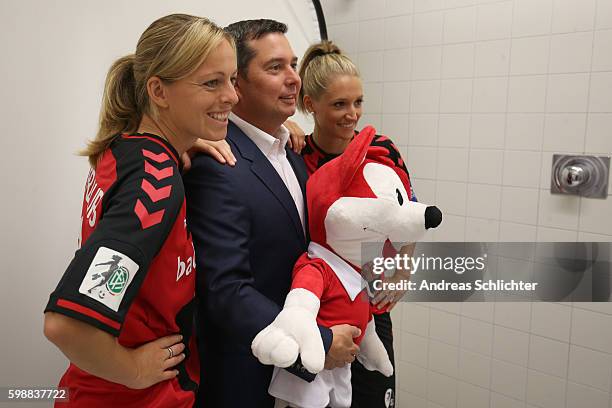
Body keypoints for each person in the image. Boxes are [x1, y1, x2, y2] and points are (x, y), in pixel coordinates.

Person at [43, 14, 238, 407]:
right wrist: (132, 370)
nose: (232, 96)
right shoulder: (155, 179)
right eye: (212, 82)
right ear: (158, 91)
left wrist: (181, 146)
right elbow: (67, 324)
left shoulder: (130, 149)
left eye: (232, 80)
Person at [182, 19, 360, 408]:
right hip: (249, 378)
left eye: (293, 64)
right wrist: (319, 343)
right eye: (275, 67)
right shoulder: (217, 161)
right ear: (236, 82)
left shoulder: (292, 155)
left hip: (301, 384)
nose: (294, 79)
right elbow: (225, 291)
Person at [296, 40, 417, 408]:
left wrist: (403, 273)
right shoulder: (296, 155)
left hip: (370, 309)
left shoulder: (381, 150)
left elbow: (407, 219)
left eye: (358, 102)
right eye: (339, 104)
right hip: (316, 312)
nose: (352, 114)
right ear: (309, 104)